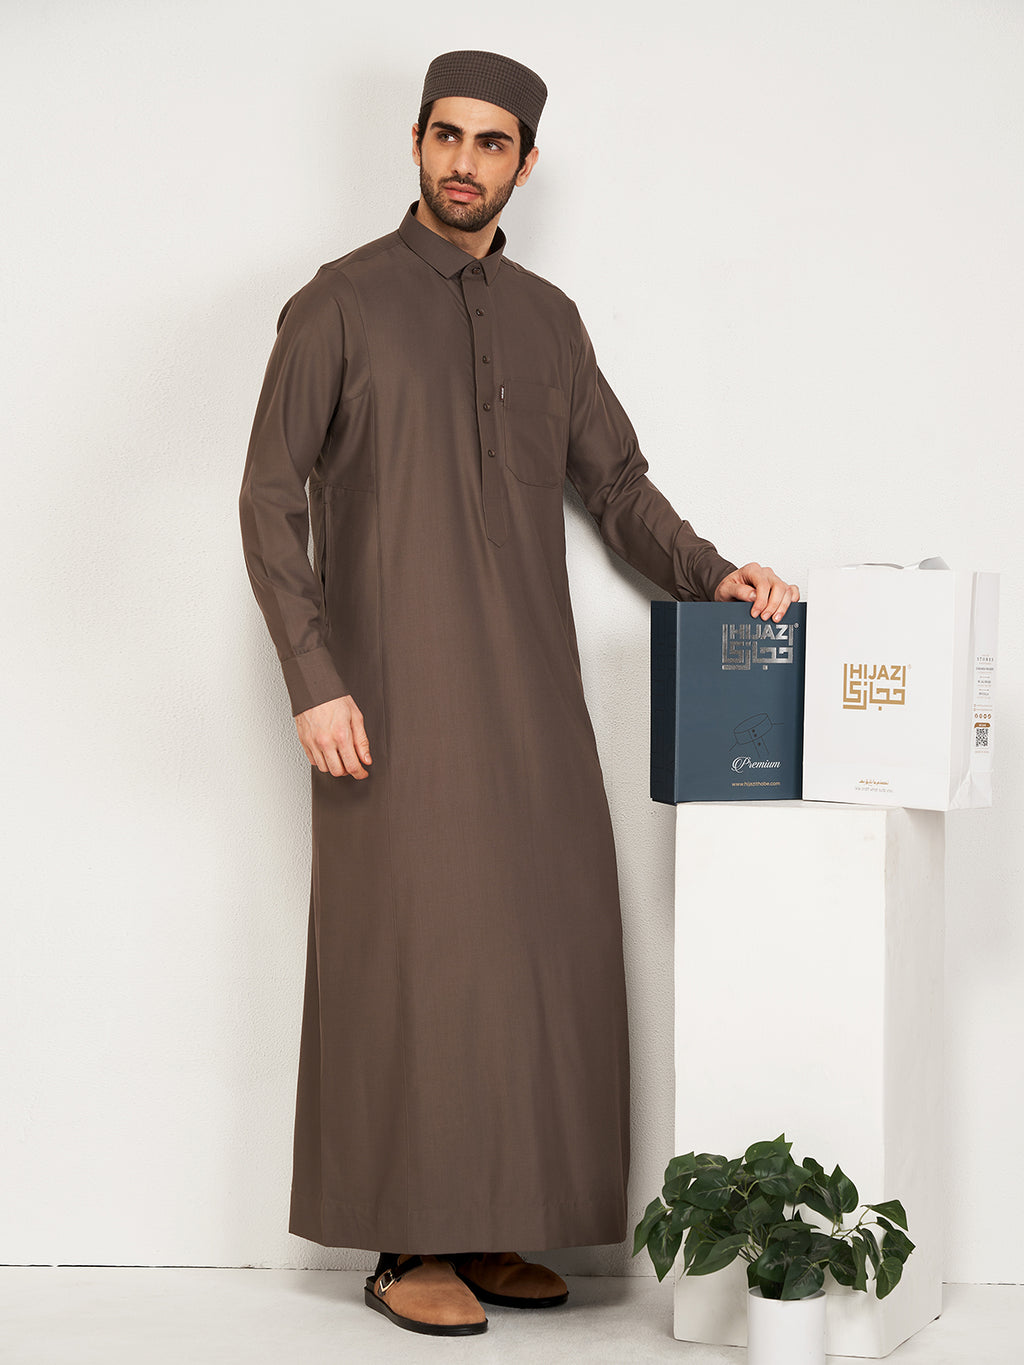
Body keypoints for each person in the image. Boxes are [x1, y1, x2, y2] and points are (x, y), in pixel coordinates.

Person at [238, 48, 799, 1339]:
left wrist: (713, 576)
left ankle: (490, 1225)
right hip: (386, 691)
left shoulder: (550, 320)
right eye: (447, 135)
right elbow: (267, 500)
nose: (464, 162)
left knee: (531, 946)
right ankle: (405, 1242)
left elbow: (615, 485)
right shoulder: (337, 304)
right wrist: (313, 678)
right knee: (415, 954)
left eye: (494, 143)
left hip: (531, 687)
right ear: (417, 141)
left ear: (525, 163)